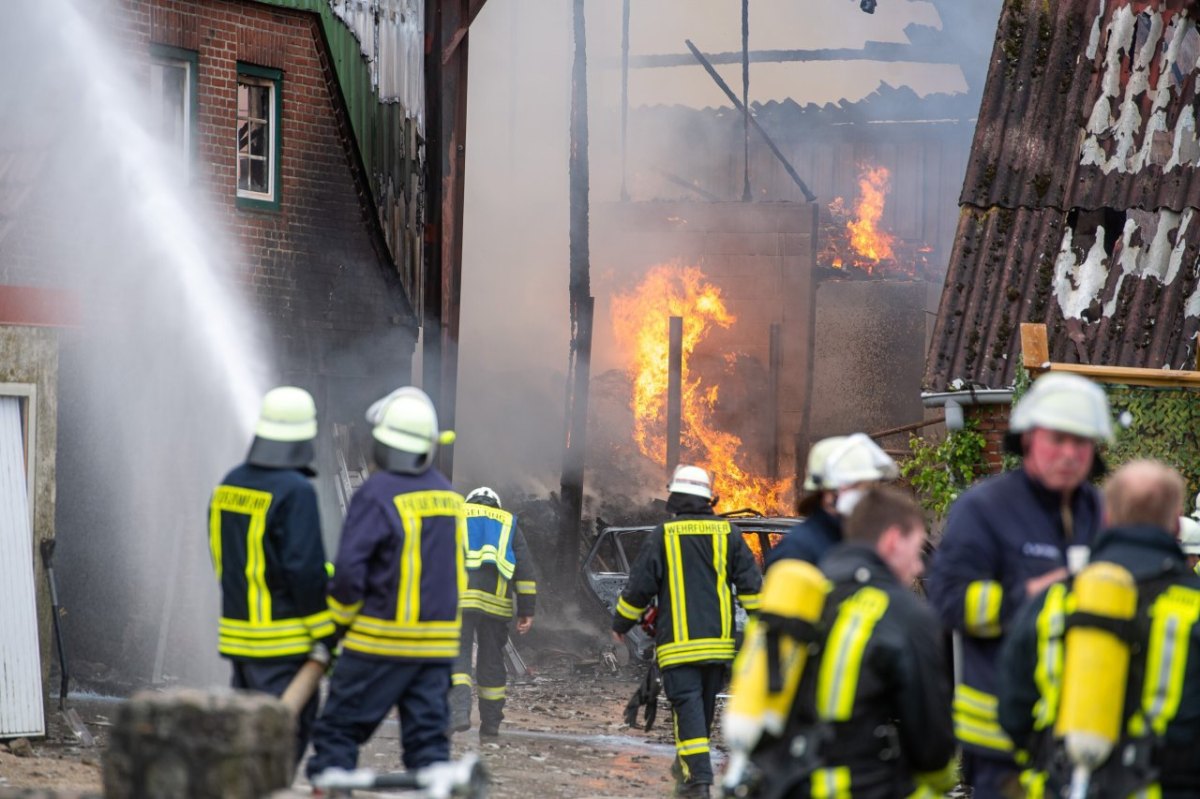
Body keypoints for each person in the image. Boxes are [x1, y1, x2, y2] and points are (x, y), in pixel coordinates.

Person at [926, 372, 1112, 798]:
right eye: (1057, 439)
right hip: (1001, 740)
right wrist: (1028, 599)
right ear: (1027, 438)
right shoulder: (984, 508)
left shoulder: (1100, 513)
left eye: (1081, 442)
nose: (1069, 453)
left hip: (1081, 732)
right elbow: (947, 601)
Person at [729, 486, 957, 798]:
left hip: (788, 781)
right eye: (915, 549)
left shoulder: (810, 595)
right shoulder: (904, 615)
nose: (919, 567)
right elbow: (932, 744)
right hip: (861, 785)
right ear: (891, 540)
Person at [999, 460, 1200, 799]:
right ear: (1176, 522)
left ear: (1107, 515)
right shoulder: (1193, 607)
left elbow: (1011, 710)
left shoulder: (1054, 601)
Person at [305, 387, 465, 780]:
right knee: (429, 748)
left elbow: (348, 573)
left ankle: (330, 786)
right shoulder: (449, 498)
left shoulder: (376, 494)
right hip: (436, 650)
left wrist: (333, 627)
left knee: (338, 732)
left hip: (379, 643)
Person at [612, 464, 763, 798]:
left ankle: (699, 781)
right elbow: (752, 588)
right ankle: (687, 775)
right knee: (701, 714)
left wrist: (621, 624)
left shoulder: (663, 535)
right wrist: (764, 629)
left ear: (675, 499)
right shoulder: (729, 534)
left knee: (689, 713)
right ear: (708, 499)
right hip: (719, 648)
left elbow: (638, 588)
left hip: (679, 647)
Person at [209, 385, 335, 765]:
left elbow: (222, 558)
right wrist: (326, 633)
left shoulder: (229, 484)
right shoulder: (296, 491)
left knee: (245, 745)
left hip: (240, 642)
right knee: (279, 748)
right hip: (284, 647)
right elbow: (303, 570)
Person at [449, 486, 537, 737]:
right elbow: (525, 571)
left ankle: (459, 713)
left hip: (460, 601)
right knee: (491, 662)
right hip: (496, 605)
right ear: (496, 504)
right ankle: (490, 724)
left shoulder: (457, 515)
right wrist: (527, 610)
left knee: (458, 657)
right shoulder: (509, 522)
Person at [766, 434, 898, 570]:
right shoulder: (795, 552)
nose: (866, 495)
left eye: (869, 487)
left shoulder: (863, 543)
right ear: (828, 493)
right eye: (857, 487)